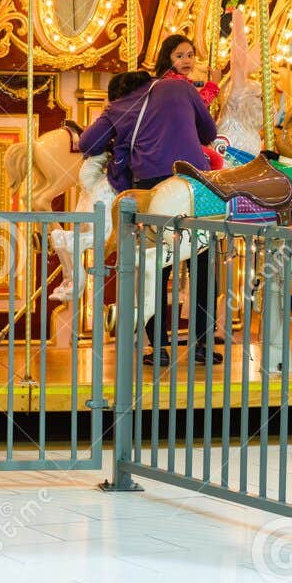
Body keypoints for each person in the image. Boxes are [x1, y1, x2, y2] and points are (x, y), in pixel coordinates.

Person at [79, 68, 222, 367]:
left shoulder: (118, 106)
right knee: (203, 265)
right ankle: (203, 344)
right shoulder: (181, 88)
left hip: (152, 185)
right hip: (195, 182)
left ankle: (158, 348)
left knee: (156, 267)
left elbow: (88, 143)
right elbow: (209, 132)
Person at [153, 33, 223, 169]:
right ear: (167, 58)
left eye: (190, 55)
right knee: (216, 160)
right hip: (176, 140)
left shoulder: (167, 79)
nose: (186, 61)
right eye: (179, 56)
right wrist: (214, 83)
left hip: (170, 138)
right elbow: (199, 104)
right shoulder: (176, 83)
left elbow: (194, 92)